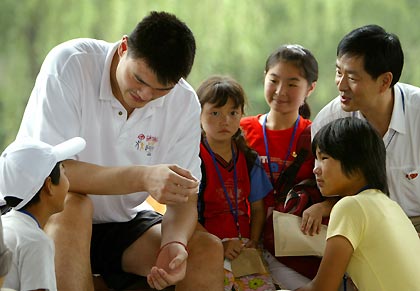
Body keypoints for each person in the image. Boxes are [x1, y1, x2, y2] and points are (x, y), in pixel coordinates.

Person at [15, 11, 224, 291]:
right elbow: (52, 173)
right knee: (75, 206)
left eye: (160, 90)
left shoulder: (184, 103)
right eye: (139, 80)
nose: (145, 96)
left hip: (120, 221)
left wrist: (174, 243)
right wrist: (143, 178)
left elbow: (184, 195)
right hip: (46, 213)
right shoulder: (71, 63)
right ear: (123, 47)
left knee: (205, 250)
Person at [311, 24, 420, 235]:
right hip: (362, 227)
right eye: (338, 72)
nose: (341, 85)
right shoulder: (328, 121)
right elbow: (327, 188)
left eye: (352, 78)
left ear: (384, 81)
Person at [240, 44, 333, 290]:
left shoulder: (316, 136)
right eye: (274, 80)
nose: (280, 91)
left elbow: (342, 189)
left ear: (310, 88)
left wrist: (323, 207)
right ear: (264, 77)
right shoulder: (239, 131)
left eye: (292, 84)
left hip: (292, 248)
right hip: (242, 241)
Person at [296, 117, 420, 291]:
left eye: (324, 158)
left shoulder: (350, 207)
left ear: (358, 162)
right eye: (316, 159)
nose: (316, 169)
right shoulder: (390, 205)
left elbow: (321, 289)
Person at [196, 75, 275, 291]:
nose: (225, 121)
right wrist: (217, 246)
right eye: (215, 113)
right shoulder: (193, 159)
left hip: (243, 249)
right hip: (205, 248)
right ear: (198, 114)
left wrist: (254, 241)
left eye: (233, 113)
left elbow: (258, 208)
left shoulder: (249, 159)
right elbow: (184, 215)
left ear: (241, 114)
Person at [0, 137, 86, 291]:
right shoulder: (36, 242)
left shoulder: (5, 225)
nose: (68, 182)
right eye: (63, 172)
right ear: (49, 186)